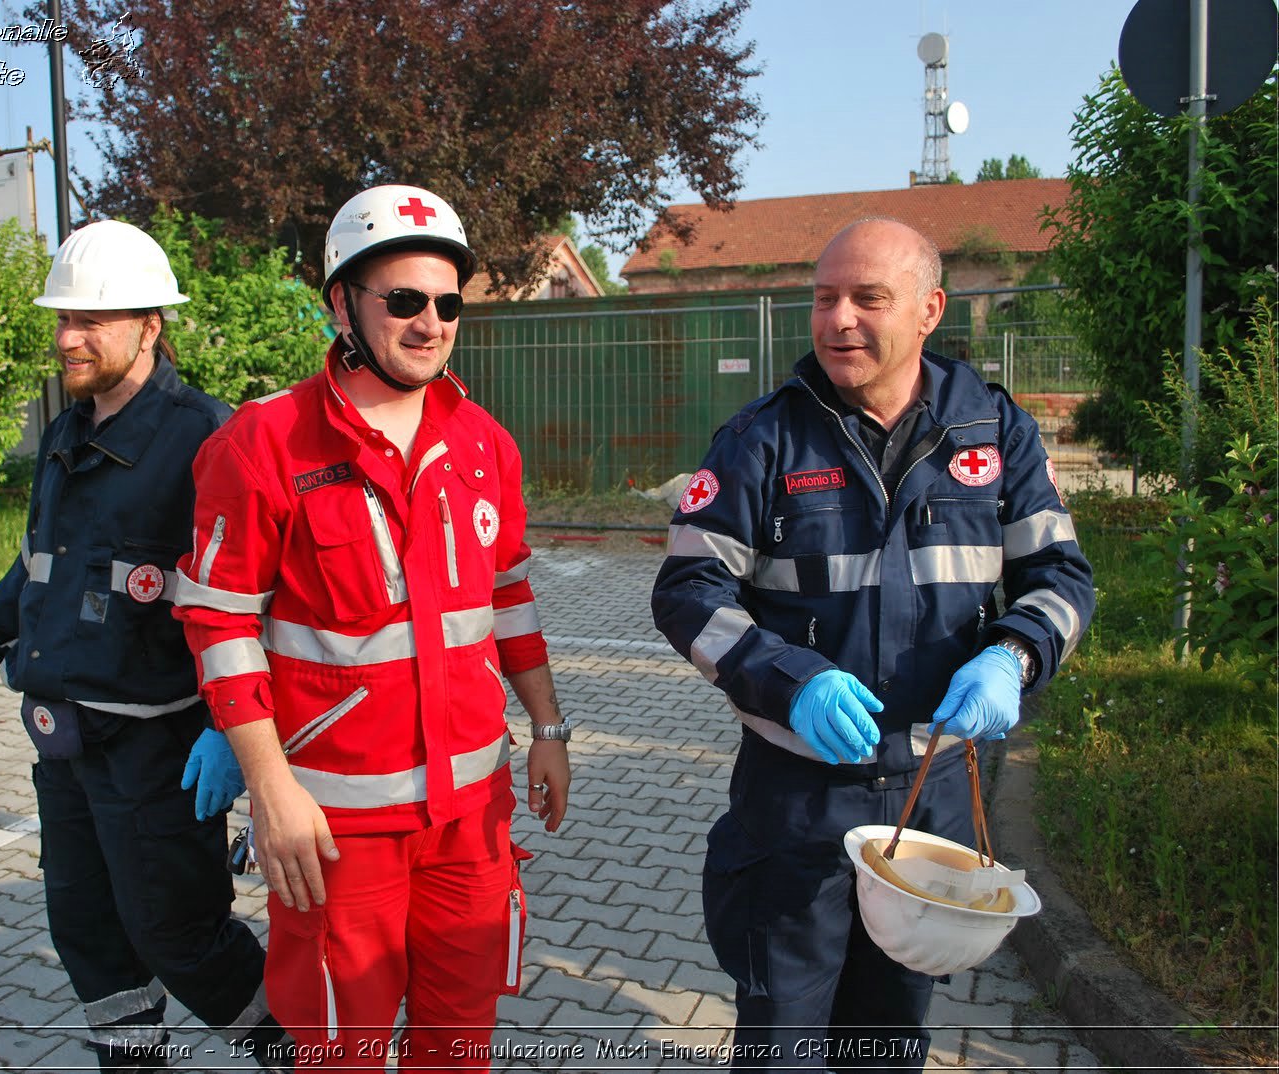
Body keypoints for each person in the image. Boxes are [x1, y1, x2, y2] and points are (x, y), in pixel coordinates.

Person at [650, 218, 1095, 1070]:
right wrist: (790, 682)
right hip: (797, 805)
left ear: (929, 310)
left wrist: (1015, 657)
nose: (839, 320)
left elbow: (1061, 580)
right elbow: (687, 590)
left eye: (867, 298)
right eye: (824, 299)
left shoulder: (994, 435)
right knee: (782, 1045)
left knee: (886, 1041)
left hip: (930, 804)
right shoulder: (763, 440)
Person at [172, 184, 571, 1071]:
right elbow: (220, 621)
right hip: (334, 835)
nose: (430, 321)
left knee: (458, 1049)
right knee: (334, 1055)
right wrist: (268, 789)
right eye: (404, 300)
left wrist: (547, 726)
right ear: (341, 305)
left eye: (447, 303)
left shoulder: (484, 446)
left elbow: (507, 596)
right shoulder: (263, 443)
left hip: (470, 828)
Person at [0, 220, 290, 1072]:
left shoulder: (211, 437)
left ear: (150, 326)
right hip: (65, 741)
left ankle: (303, 1055)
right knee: (88, 934)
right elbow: (37, 569)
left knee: (180, 937)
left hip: (161, 748)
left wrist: (233, 728)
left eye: (92, 320)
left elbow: (262, 596)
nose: (68, 338)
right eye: (62, 319)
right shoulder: (65, 434)